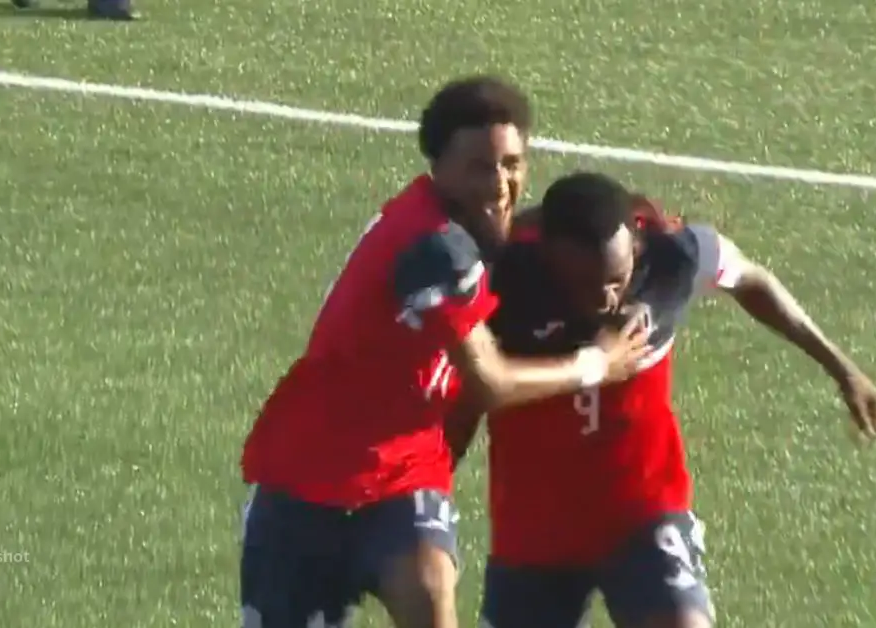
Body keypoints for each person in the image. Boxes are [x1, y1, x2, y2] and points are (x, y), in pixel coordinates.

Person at [237, 81, 653, 628]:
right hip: (308, 481)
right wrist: (598, 364)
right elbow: (489, 382)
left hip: (404, 474)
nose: (501, 185)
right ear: (438, 168)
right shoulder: (435, 247)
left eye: (512, 164)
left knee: (432, 587)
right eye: (480, 168)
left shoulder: (476, 232)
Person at [446, 171, 876, 628]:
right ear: (548, 257)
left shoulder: (673, 258)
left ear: (635, 247)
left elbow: (752, 279)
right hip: (534, 526)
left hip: (642, 510)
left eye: (616, 280)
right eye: (583, 283)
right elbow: (469, 392)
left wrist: (841, 367)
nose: (605, 298)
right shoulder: (501, 285)